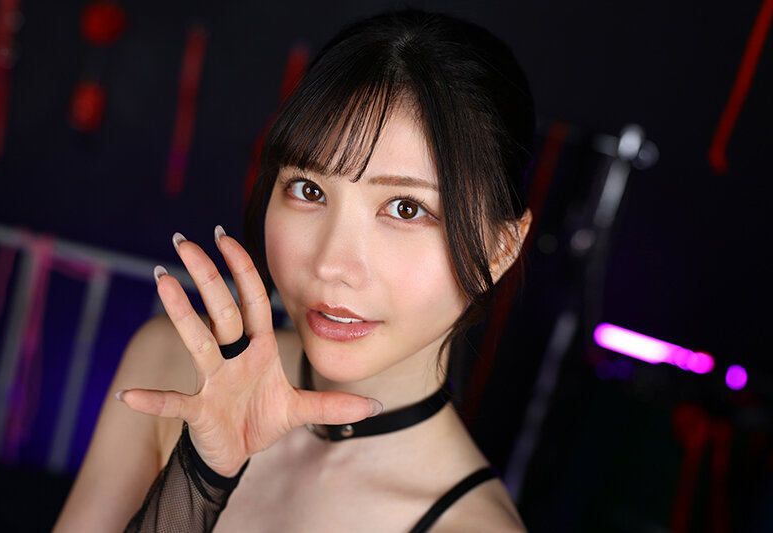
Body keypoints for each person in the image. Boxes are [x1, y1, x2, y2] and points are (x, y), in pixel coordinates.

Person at [54, 9, 535, 532]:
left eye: (405, 208)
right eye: (309, 190)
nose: (331, 264)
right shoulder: (173, 365)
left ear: (500, 250)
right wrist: (200, 474)